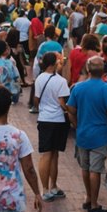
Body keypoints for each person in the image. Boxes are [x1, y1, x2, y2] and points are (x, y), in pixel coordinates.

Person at [66, 55, 107, 212]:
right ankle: (94, 204)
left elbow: (71, 110)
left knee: (85, 167)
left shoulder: (78, 88)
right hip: (99, 134)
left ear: (88, 69)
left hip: (82, 133)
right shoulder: (105, 89)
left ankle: (88, 197)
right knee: (95, 169)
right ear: (103, 71)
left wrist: (76, 125)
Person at [34, 51, 70, 202]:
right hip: (58, 120)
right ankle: (49, 187)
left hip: (44, 119)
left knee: (48, 153)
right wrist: (68, 111)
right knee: (52, 154)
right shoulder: (61, 81)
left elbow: (36, 100)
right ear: (53, 64)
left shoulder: (39, 79)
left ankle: (49, 188)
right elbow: (63, 102)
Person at [0, 39, 21, 104]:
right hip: (9, 92)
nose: (9, 48)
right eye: (6, 47)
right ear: (3, 51)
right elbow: (6, 78)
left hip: (2, 92)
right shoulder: (8, 62)